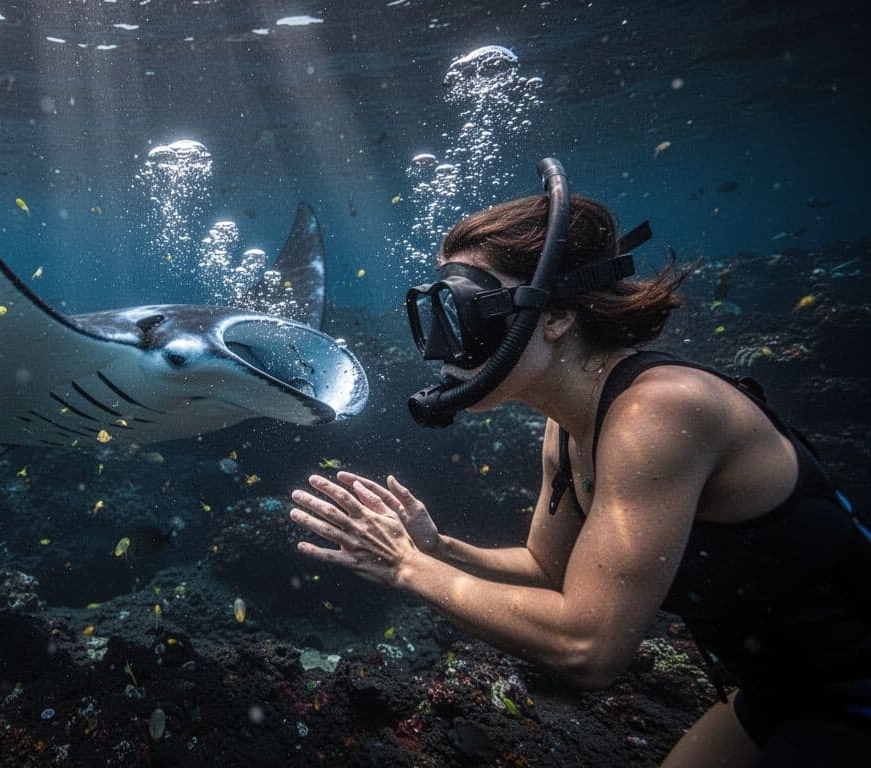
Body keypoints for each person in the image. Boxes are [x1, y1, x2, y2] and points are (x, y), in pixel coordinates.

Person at [287, 172, 871, 766]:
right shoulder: (568, 425)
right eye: (435, 314)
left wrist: (407, 569)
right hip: (784, 688)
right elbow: (547, 570)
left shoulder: (656, 413)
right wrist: (439, 548)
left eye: (464, 310)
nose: (446, 343)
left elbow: (588, 646)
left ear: (556, 316)